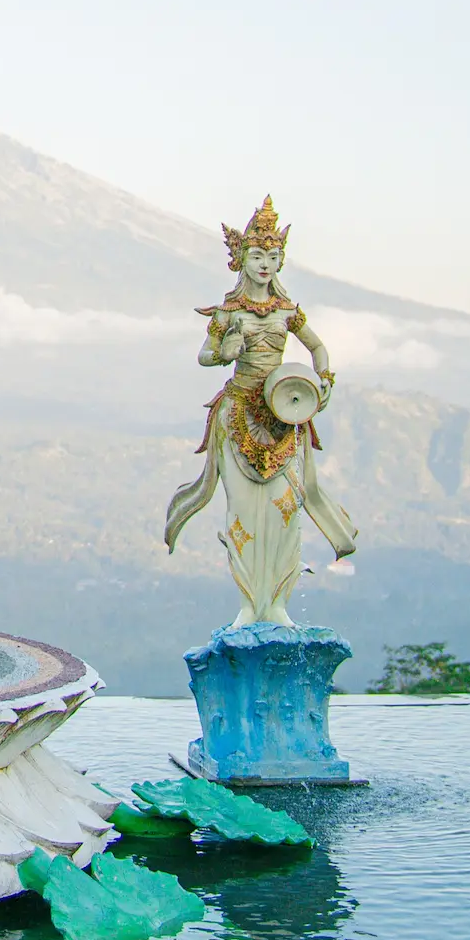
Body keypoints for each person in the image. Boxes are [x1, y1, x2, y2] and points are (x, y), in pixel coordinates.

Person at [164, 196, 357, 626]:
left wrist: (323, 380)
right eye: (257, 256)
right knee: (242, 511)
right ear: (240, 259)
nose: (266, 264)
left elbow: (318, 347)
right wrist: (225, 350)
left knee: (285, 510)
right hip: (238, 416)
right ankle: (250, 603)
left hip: (283, 414)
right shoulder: (229, 312)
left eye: (273, 256)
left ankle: (278, 603)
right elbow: (205, 355)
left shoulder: (288, 311)